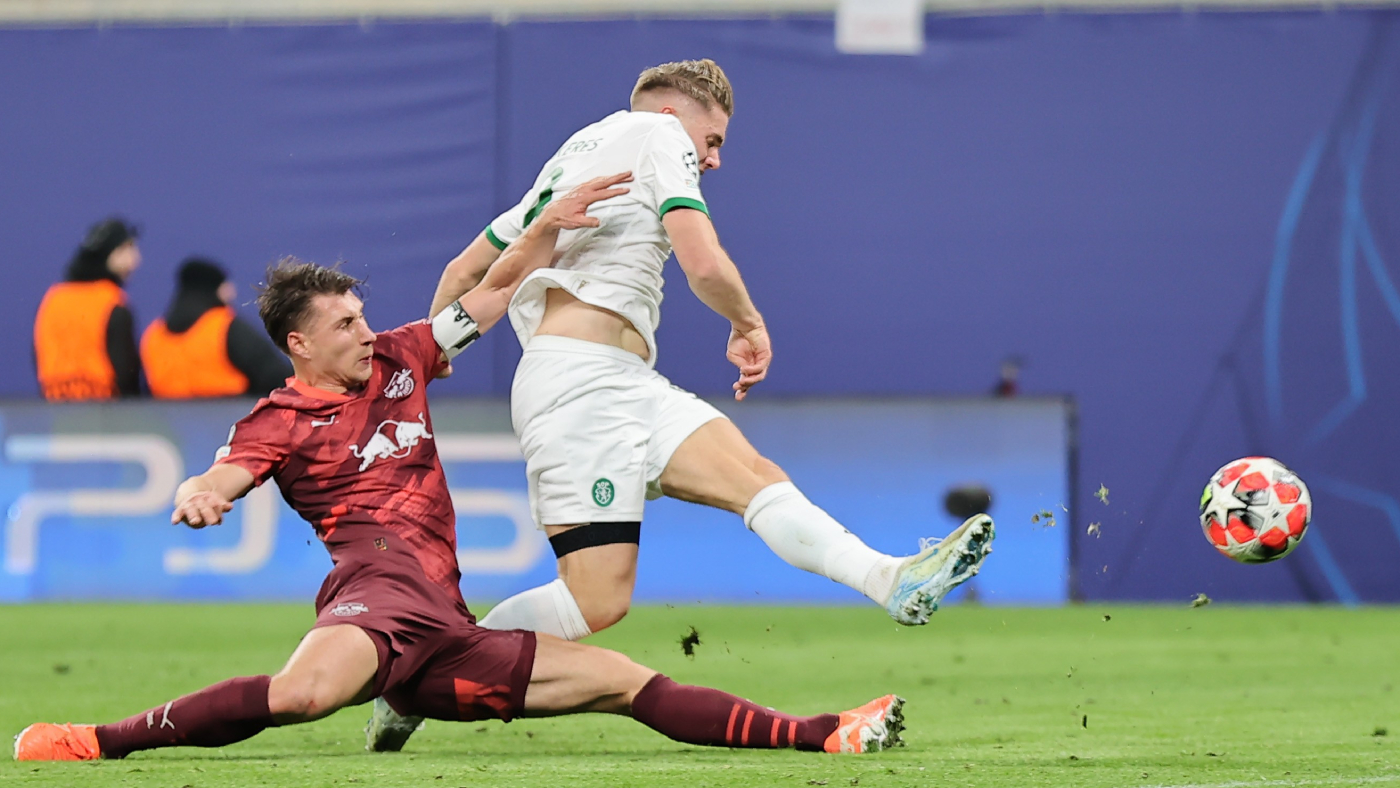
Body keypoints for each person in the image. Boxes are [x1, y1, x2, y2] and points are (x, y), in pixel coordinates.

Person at [13, 173, 905, 764]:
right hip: (376, 596)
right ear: (299, 345)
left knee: (627, 681)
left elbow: (492, 293)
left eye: (363, 315)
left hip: (445, 629)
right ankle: (96, 740)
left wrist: (545, 228)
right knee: (302, 695)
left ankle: (827, 734)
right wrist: (202, 495)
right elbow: (224, 474)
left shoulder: (402, 357)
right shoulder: (277, 418)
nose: (367, 331)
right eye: (345, 325)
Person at [368, 57, 995, 752]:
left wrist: (435, 355)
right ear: (672, 116)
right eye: (713, 139)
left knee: (755, 477)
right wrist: (747, 323)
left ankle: (891, 580)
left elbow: (464, 270)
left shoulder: (574, 153)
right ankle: (416, 680)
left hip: (621, 381)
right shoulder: (658, 136)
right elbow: (702, 260)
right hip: (578, 386)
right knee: (594, 601)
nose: (715, 159)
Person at [141, 257, 293, 398]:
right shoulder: (227, 328)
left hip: (165, 417)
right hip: (232, 415)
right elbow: (276, 377)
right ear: (218, 290)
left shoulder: (154, 335)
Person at [33, 217, 143, 400]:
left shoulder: (52, 300)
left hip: (56, 409)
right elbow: (126, 375)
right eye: (127, 249)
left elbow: (39, 359)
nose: (136, 259)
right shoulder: (111, 303)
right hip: (107, 412)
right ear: (108, 254)